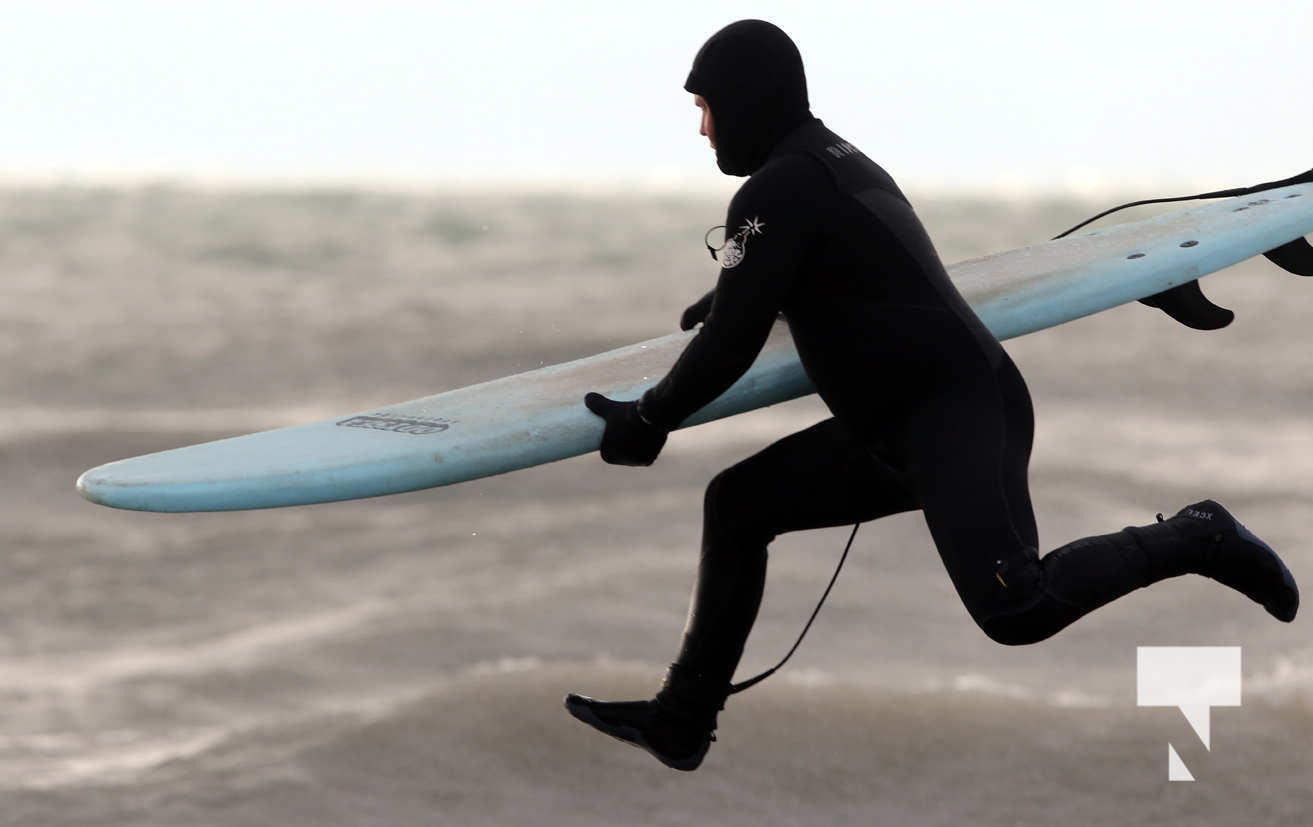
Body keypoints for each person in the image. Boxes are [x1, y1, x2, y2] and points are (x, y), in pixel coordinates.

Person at [564, 19, 1299, 772]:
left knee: (1015, 606)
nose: (703, 130)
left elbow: (730, 344)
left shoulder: (779, 187)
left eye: (706, 107)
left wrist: (648, 419)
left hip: (954, 416)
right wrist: (739, 291)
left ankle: (1197, 535)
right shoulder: (831, 161)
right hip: (904, 424)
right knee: (738, 503)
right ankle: (683, 719)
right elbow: (837, 267)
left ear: (746, 99)